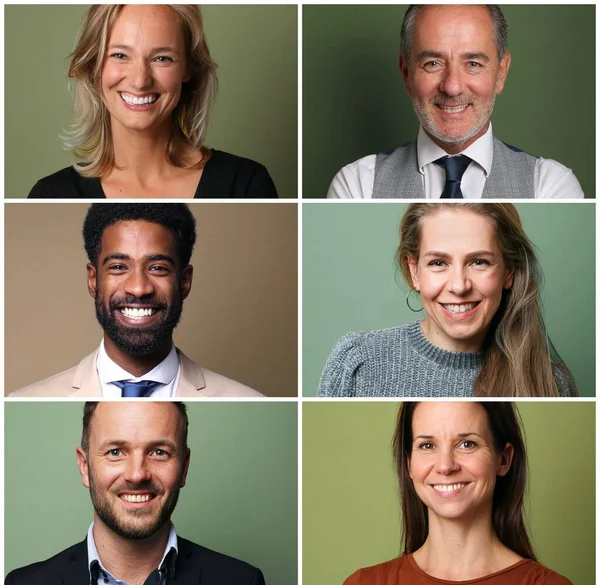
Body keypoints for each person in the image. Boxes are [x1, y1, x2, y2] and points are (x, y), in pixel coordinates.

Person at [5, 401, 267, 585]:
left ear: (184, 467)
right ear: (84, 467)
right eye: (116, 452)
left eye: (159, 452)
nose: (137, 474)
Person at [318, 203, 576, 397]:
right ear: (414, 271)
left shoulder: (552, 383)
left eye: (479, 262)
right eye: (438, 263)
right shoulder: (358, 361)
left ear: (508, 272)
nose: (458, 286)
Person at [328, 5, 583, 199]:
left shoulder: (551, 187)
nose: (452, 87)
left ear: (501, 72)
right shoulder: (357, 186)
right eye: (433, 63)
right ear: (406, 72)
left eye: (473, 64)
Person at [9, 203, 262, 397]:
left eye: (158, 268)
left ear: (185, 280)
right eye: (119, 267)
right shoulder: (25, 398)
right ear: (93, 279)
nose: (139, 288)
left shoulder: (249, 400)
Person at [28, 4, 278, 199]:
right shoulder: (50, 195)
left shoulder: (245, 185)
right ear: (94, 66)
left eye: (162, 58)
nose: (140, 80)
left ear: (188, 69)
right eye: (119, 55)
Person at [339, 402, 579, 585]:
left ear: (503, 459)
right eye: (427, 445)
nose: (445, 466)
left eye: (467, 443)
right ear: (409, 465)